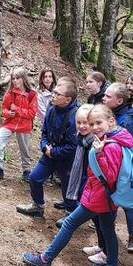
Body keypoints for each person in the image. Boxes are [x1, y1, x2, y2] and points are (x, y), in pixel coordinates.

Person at [22, 104, 133, 266]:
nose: (93, 127)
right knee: (107, 230)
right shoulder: (112, 138)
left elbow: (110, 176)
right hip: (107, 196)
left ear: (111, 121)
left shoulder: (109, 146)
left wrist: (99, 154)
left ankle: (45, 259)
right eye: (91, 124)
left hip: (99, 196)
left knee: (68, 224)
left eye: (98, 123)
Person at [16, 77, 79, 218]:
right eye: (54, 92)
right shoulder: (52, 108)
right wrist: (45, 147)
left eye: (57, 94)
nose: (53, 96)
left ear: (67, 99)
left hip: (67, 158)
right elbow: (44, 132)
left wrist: (54, 152)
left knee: (68, 187)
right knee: (34, 177)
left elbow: (73, 145)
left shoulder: (75, 116)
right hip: (49, 153)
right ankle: (37, 206)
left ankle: (71, 215)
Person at [103, 82, 133, 253]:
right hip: (113, 167)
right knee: (111, 202)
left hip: (123, 169)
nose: (104, 98)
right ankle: (105, 237)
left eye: (108, 96)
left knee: (127, 203)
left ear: (119, 101)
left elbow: (124, 149)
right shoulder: (113, 114)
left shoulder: (125, 120)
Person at [0, 67, 38, 181]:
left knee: (25, 149)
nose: (15, 81)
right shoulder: (10, 93)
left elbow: (32, 113)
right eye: (13, 78)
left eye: (17, 78)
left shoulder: (32, 94)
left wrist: (17, 110)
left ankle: (26, 170)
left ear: (23, 79)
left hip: (24, 125)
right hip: (10, 123)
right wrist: (9, 113)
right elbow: (3, 110)